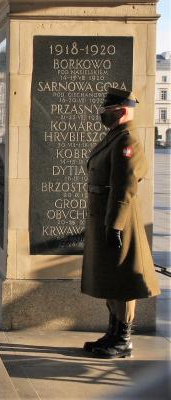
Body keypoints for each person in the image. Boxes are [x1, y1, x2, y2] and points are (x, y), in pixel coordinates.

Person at [81, 88, 160, 358]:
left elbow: (124, 188)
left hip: (119, 223)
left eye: (107, 111)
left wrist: (114, 225)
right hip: (104, 218)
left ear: (122, 110)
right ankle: (113, 333)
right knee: (110, 279)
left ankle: (123, 339)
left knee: (123, 281)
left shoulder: (128, 141)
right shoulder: (114, 137)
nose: (103, 115)